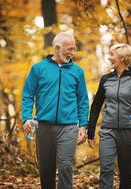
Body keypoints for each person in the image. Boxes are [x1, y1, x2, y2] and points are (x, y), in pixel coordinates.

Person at [21, 32, 89, 189]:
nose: (73, 52)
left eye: (74, 49)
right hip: (43, 126)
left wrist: (83, 125)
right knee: (46, 169)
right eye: (69, 49)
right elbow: (27, 96)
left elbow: (83, 101)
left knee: (65, 166)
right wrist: (26, 118)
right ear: (57, 48)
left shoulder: (77, 71)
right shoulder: (38, 69)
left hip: (68, 126)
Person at [87, 43, 131, 189]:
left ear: (122, 57)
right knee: (106, 169)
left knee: (126, 172)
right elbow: (96, 106)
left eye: (112, 55)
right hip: (108, 130)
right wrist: (91, 132)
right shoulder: (106, 79)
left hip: (129, 130)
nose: (109, 58)